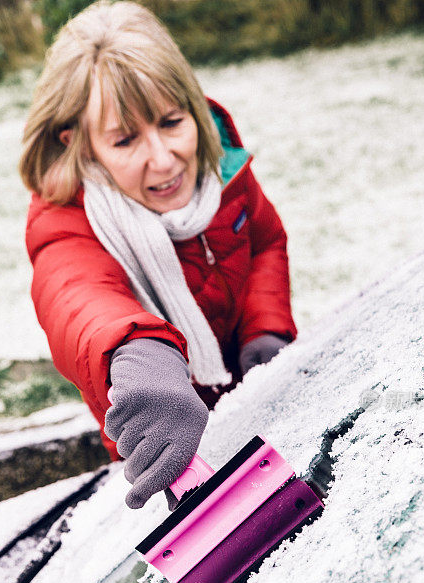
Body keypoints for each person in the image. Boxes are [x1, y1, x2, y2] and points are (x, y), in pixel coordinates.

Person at [20, 0, 297, 510]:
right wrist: (138, 354)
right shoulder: (64, 220)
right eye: (125, 139)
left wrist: (266, 329)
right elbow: (76, 296)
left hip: (258, 403)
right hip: (166, 454)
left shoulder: (224, 170)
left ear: (194, 107)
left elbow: (264, 245)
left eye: (172, 122)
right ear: (80, 143)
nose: (163, 158)